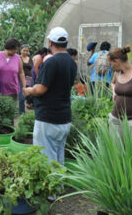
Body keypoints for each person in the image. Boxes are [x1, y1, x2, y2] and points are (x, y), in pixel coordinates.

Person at [24, 27, 77, 166]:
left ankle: (52, 188)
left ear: (51, 43)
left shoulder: (51, 62)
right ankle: (59, 187)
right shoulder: (72, 62)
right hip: (64, 117)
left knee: (46, 160)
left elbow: (40, 89)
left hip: (48, 118)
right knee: (58, 156)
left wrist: (29, 91)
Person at [19, 44, 34, 114]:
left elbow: (31, 69)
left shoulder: (30, 58)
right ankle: (21, 111)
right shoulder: (18, 58)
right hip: (21, 79)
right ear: (20, 50)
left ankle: (29, 105)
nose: (25, 52)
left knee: (30, 93)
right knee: (21, 96)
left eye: (27, 51)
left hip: (29, 78)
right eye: (24, 50)